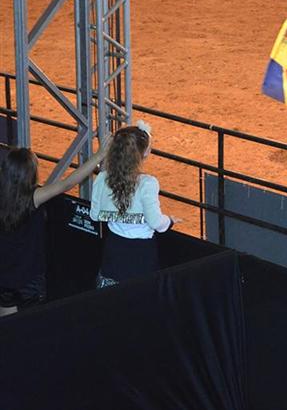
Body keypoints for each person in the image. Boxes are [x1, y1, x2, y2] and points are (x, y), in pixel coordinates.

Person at [0, 140, 109, 316]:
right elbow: (67, 183)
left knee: (7, 328)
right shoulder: (33, 197)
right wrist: (100, 155)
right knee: (32, 325)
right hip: (30, 279)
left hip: (4, 278)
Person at [90, 121, 180, 288]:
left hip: (113, 250)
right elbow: (156, 222)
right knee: (140, 296)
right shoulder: (147, 183)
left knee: (110, 296)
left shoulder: (102, 178)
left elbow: (94, 215)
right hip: (140, 254)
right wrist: (170, 221)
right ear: (144, 153)